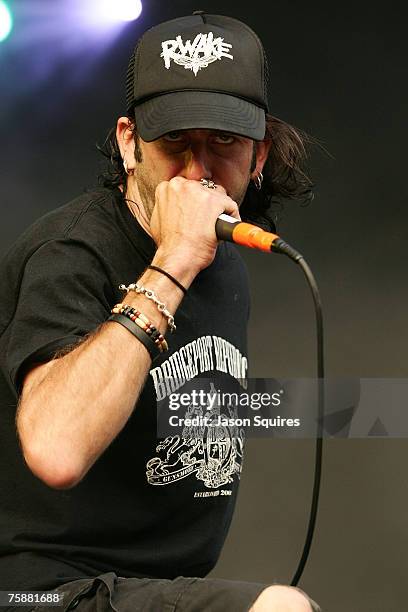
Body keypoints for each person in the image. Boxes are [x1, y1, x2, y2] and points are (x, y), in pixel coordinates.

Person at [0, 11, 319, 612]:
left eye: (224, 141)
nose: (198, 173)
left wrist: (360, 411)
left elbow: (187, 408)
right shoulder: (71, 252)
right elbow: (56, 450)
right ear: (128, 143)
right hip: (38, 591)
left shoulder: (223, 266)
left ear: (258, 156)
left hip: (152, 586)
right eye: (175, 141)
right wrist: (171, 264)